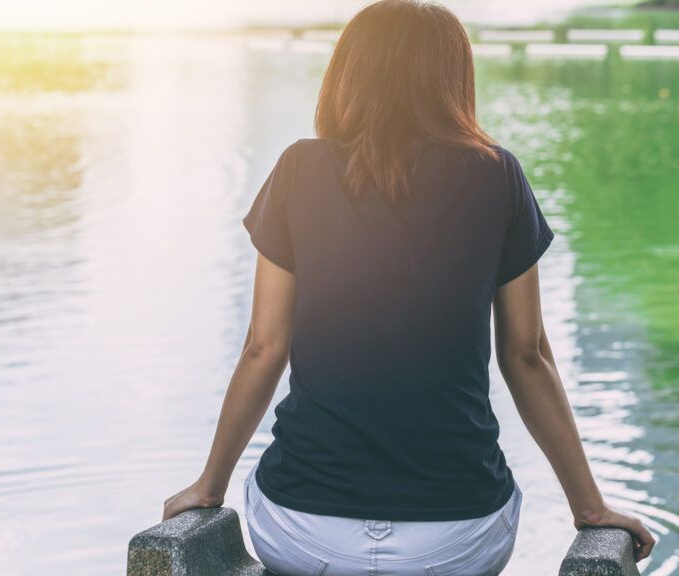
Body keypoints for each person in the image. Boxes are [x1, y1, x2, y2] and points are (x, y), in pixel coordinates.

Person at [160, 0, 657, 574]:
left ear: (348, 75)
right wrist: (590, 508)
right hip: (458, 537)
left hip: (304, 529)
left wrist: (210, 484)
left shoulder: (299, 168)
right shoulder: (499, 176)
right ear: (454, 80)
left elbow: (262, 348)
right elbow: (525, 355)